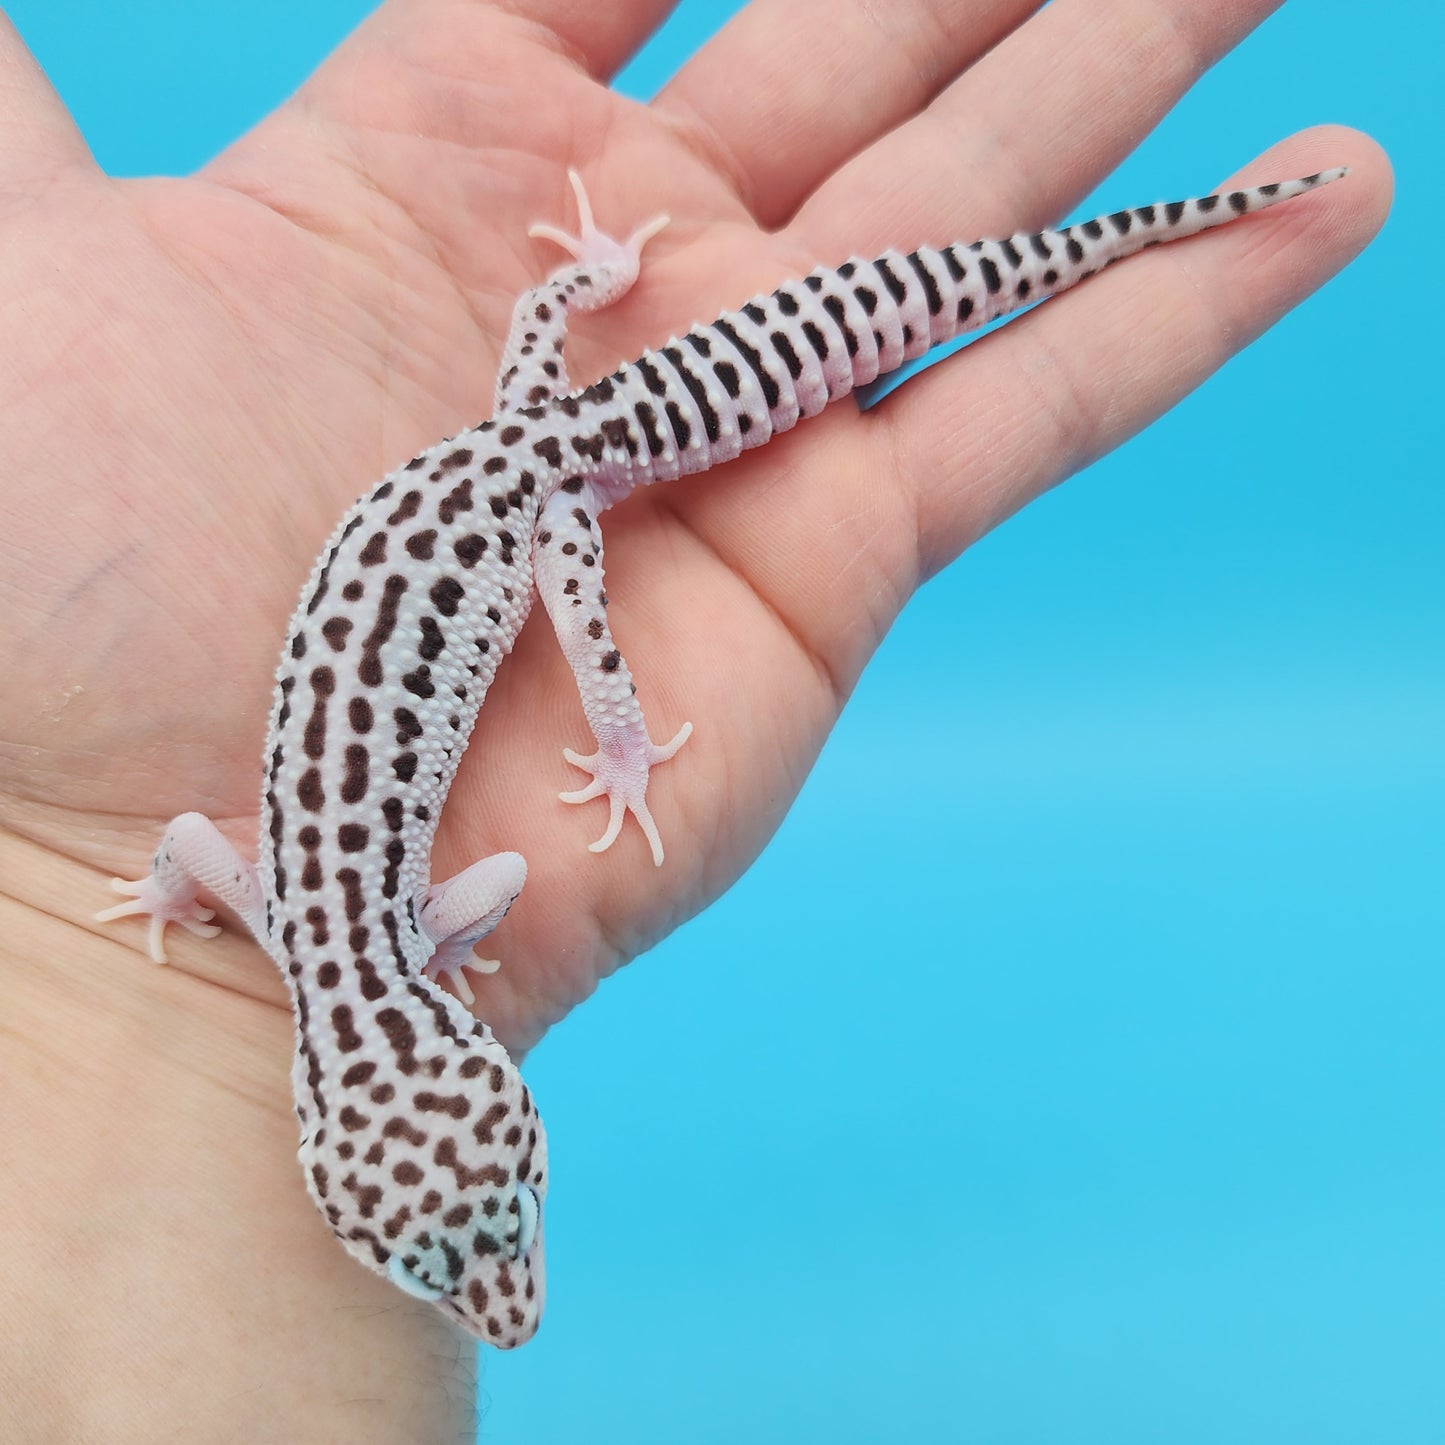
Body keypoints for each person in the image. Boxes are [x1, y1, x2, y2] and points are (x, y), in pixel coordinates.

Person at [0, 0, 1387, 1435]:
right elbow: (192, 841)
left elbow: (501, 881)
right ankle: (595, 281)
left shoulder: (375, 939)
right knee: (589, 429)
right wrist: (177, 895)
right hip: (511, 443)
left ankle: (621, 703)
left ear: (367, 1121)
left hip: (532, 493)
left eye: (462, 1238)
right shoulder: (284, 915)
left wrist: (601, 761)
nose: (506, 1292)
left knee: (594, 618)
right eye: (495, 1220)